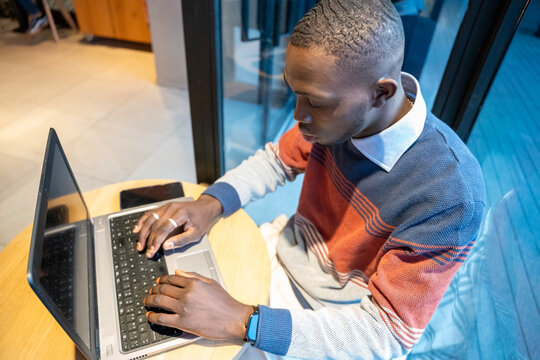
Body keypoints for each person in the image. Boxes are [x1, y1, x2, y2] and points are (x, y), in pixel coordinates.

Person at [134, 0, 485, 358]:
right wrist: (209, 204)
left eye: (314, 103)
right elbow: (275, 162)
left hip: (336, 320)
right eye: (295, 94)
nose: (299, 116)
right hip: (283, 253)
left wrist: (243, 321)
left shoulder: (450, 194)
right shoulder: (340, 115)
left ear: (381, 93)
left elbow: (385, 337)